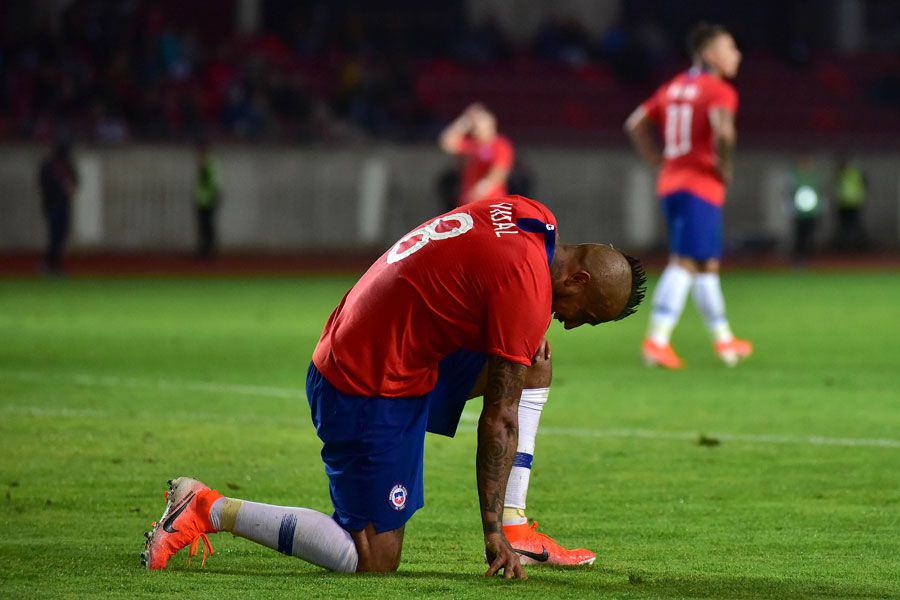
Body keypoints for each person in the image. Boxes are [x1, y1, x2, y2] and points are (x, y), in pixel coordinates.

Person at [142, 194, 646, 579]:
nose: (575, 325)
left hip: (388, 344)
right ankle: (207, 507)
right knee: (372, 559)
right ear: (578, 279)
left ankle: (519, 525)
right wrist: (489, 537)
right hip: (363, 380)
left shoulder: (533, 217)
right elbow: (500, 419)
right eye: (590, 316)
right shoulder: (527, 287)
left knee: (531, 359)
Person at [624, 22, 752, 369]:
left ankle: (724, 341)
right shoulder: (719, 90)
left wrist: (658, 161)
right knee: (683, 261)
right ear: (710, 53)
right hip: (700, 185)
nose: (736, 54)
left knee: (705, 264)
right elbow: (724, 132)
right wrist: (724, 166)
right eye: (730, 47)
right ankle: (657, 340)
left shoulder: (674, 86)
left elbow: (635, 123)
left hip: (672, 182)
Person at [439, 103, 514, 206]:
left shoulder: (500, 145)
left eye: (480, 121)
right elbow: (447, 143)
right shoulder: (472, 145)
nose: (476, 126)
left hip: (491, 204)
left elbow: (499, 171)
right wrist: (464, 121)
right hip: (469, 202)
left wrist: (481, 189)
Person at [38, 140, 79, 275]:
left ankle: (56, 263)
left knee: (62, 234)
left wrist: (71, 188)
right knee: (54, 235)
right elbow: (45, 184)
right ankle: (50, 263)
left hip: (64, 205)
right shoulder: (48, 166)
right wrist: (62, 189)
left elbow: (76, 180)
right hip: (52, 205)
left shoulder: (67, 166)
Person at [789, 152, 823, 263]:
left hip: (812, 212)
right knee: (800, 236)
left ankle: (809, 258)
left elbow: (819, 193)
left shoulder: (815, 176)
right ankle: (798, 259)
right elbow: (790, 192)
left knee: (810, 236)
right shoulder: (795, 175)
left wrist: (819, 208)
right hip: (799, 212)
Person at [832, 157, 868, 252]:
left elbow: (863, 187)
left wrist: (861, 199)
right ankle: (845, 247)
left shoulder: (856, 174)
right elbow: (836, 189)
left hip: (854, 204)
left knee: (854, 227)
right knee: (844, 227)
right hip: (843, 204)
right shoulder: (840, 174)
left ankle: (854, 246)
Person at [194, 141, 221, 259]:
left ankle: (209, 250)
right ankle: (205, 249)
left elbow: (213, 184)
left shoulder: (209, 166)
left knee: (208, 225)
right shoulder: (204, 166)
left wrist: (213, 197)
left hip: (208, 200)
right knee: (203, 226)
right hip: (202, 200)